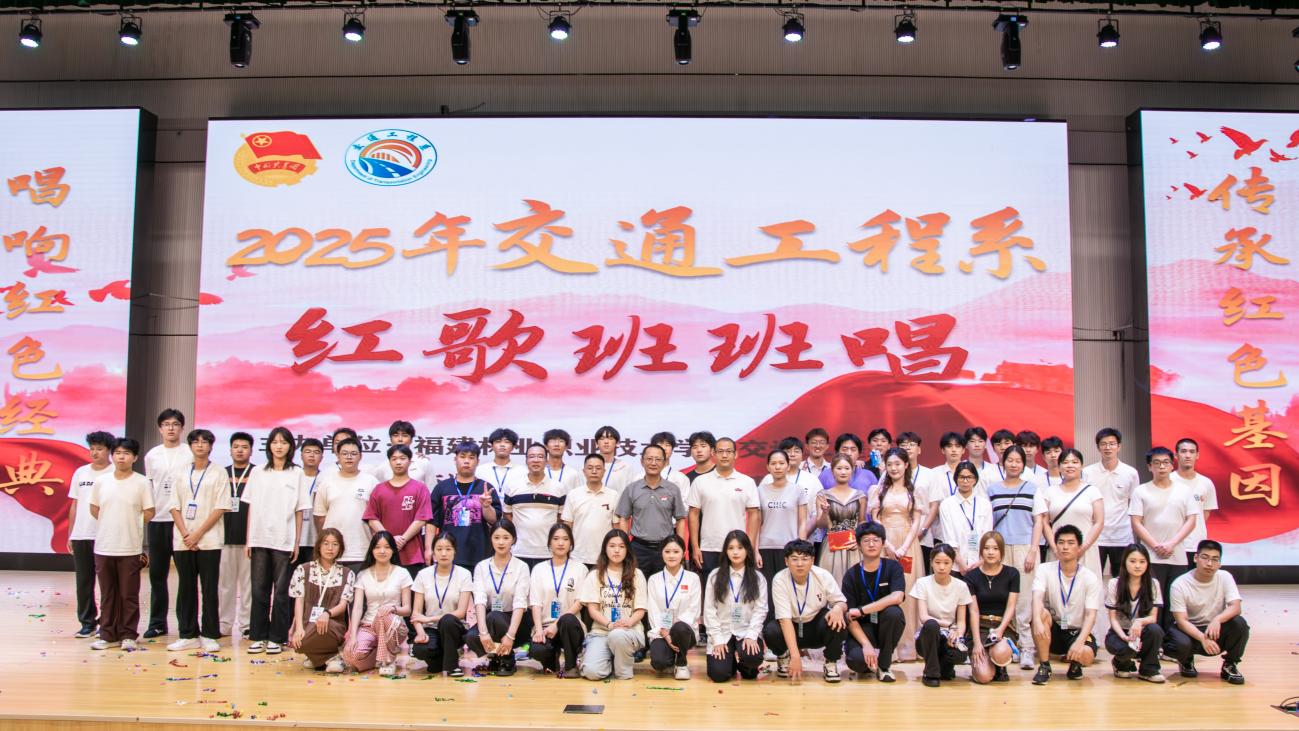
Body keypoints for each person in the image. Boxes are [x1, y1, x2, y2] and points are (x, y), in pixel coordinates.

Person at [243, 427, 310, 655]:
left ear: (290, 446)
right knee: (259, 590)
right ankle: (258, 636)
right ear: (269, 445)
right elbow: (251, 507)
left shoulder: (296, 473)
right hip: (259, 538)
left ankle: (277, 637)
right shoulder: (258, 472)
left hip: (284, 539)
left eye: (284, 442)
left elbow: (300, 510)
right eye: (275, 442)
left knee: (281, 592)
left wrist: (296, 542)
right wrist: (249, 540)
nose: (279, 446)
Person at [166, 429, 230, 653]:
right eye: (195, 442)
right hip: (183, 540)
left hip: (209, 540)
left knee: (209, 588)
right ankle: (187, 634)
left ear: (211, 446)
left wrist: (198, 533)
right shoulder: (181, 471)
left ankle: (210, 634)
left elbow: (221, 507)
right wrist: (186, 533)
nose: (200, 445)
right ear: (190, 446)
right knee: (186, 588)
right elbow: (173, 505)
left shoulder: (219, 472)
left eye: (204, 442)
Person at [89, 438, 155, 651]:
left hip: (130, 547)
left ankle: (128, 634)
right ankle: (107, 634)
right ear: (112, 456)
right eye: (117, 453)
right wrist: (111, 523)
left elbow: (149, 511)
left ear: (134, 458)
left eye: (126, 453)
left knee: (129, 595)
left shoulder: (141, 482)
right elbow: (94, 508)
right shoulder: (102, 481)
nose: (121, 457)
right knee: (108, 594)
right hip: (104, 546)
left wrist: (131, 525)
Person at [1129, 446, 1200, 639]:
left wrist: (1171, 544)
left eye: (1166, 463)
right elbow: (1136, 522)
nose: (1162, 467)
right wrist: (1155, 545)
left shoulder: (1184, 491)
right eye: (1157, 463)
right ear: (1149, 466)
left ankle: (1171, 642)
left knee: (1173, 601)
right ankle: (1152, 641)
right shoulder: (1141, 491)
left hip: (1177, 555)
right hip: (1150, 557)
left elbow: (1191, 521)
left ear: (1172, 465)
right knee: (1152, 601)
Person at [765, 539, 849, 682]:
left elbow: (842, 602)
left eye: (804, 559)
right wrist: (795, 656)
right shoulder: (780, 579)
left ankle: (831, 662)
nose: (799, 564)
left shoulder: (823, 575)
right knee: (771, 631)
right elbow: (784, 620)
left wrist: (837, 608)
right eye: (794, 559)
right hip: (792, 624)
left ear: (812, 560)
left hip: (815, 625)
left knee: (838, 620)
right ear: (786, 561)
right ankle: (784, 656)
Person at [867, 447, 923, 662]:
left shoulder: (915, 490)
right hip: (883, 542)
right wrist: (887, 544)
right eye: (889, 464)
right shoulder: (878, 490)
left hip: (908, 544)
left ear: (906, 465)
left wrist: (904, 547)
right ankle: (884, 647)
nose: (893, 468)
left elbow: (916, 521)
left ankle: (907, 647)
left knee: (906, 591)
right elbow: (875, 518)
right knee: (883, 591)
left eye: (898, 464)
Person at [986, 445, 1040, 669]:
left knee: (1024, 598)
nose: (1014, 464)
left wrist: (1033, 550)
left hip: (1025, 548)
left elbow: (1039, 521)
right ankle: (1009, 645)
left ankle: (1027, 647)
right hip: (999, 549)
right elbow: (987, 522)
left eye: (1018, 461)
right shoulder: (992, 490)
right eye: (1010, 460)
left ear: (1024, 464)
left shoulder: (1033, 489)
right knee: (1003, 598)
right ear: (1003, 462)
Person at [1168, 540, 1248, 685]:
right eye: (1205, 557)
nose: (1209, 563)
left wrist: (1217, 619)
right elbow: (1181, 620)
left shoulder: (1225, 577)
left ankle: (1230, 664)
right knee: (1178, 644)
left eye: (1215, 559)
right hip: (1190, 629)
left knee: (1240, 624)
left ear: (1220, 563)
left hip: (1214, 629)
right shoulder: (1180, 584)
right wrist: (1202, 638)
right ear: (1195, 558)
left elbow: (1236, 607)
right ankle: (1186, 660)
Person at [142, 408, 192, 638]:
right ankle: (157, 623)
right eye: (166, 424)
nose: (171, 428)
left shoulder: (189, 452)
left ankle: (186, 624)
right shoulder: (152, 455)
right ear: (160, 428)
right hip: (159, 520)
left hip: (183, 521)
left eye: (175, 424)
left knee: (186, 576)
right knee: (157, 575)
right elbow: (149, 487)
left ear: (182, 428)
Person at [1030, 525, 1101, 685]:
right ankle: (1044, 666)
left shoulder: (1089, 577)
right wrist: (1037, 621)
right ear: (1056, 546)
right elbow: (1037, 597)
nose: (1065, 547)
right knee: (1039, 614)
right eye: (1061, 542)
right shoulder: (1044, 569)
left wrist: (1080, 642)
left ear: (1079, 547)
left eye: (1070, 543)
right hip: (1054, 628)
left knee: (1086, 655)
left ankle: (1075, 665)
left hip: (1076, 631)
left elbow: (1091, 615)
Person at [273, 437, 323, 651]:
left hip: (316, 542)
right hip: (291, 541)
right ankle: (284, 630)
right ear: (300, 454)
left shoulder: (324, 479)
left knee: (312, 590)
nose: (312, 455)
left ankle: (308, 631)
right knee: (286, 588)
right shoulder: (293, 476)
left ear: (322, 456)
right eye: (308, 451)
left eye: (316, 452)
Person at [580, 529, 649, 680]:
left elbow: (640, 610)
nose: (616, 550)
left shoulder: (637, 574)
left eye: (621, 546)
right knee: (592, 672)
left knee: (618, 635)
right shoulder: (594, 575)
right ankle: (610, 659)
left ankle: (623, 669)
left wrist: (628, 622)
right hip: (602, 632)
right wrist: (610, 624)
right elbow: (593, 610)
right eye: (612, 546)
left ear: (627, 550)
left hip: (629, 630)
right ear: (605, 549)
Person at [842, 523, 906, 682]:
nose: (871, 544)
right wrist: (866, 645)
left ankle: (884, 665)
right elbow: (850, 616)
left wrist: (862, 610)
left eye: (876, 540)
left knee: (894, 613)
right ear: (858, 545)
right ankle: (869, 661)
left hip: (885, 625)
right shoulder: (851, 575)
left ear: (883, 543)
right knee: (857, 661)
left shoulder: (893, 567)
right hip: (862, 628)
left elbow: (897, 597)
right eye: (866, 540)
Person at [466, 519, 531, 676]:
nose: (501, 542)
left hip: (516, 621)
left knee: (495, 617)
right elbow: (479, 601)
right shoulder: (482, 567)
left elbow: (520, 604)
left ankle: (507, 659)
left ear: (513, 540)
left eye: (506, 537)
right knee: (472, 637)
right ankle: (497, 656)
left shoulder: (521, 567)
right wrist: (483, 633)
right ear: (491, 539)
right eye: (496, 537)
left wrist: (510, 636)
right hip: (490, 619)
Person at [343, 532, 413, 676]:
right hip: (369, 625)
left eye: (387, 547)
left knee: (384, 614)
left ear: (393, 550)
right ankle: (378, 656)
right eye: (377, 547)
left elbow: (407, 609)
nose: (382, 551)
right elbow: (357, 608)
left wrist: (392, 609)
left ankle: (388, 661)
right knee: (351, 656)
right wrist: (353, 635)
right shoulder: (363, 574)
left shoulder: (402, 573)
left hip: (393, 625)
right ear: (372, 550)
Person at [688, 437, 759, 579]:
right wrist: (695, 547)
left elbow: (754, 515)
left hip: (737, 548)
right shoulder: (700, 481)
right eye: (720, 451)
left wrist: (749, 547)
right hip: (709, 547)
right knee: (710, 588)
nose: (724, 455)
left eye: (728, 451)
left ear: (736, 454)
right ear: (713, 453)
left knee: (737, 588)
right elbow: (693, 514)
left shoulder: (747, 482)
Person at [67, 431, 114, 639]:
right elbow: (74, 504)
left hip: (106, 534)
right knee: (84, 581)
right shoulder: (81, 473)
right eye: (92, 448)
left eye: (99, 449)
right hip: (81, 534)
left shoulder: (115, 472)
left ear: (109, 450)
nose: (95, 452)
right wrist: (71, 534)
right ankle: (87, 623)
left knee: (108, 582)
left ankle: (107, 622)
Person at [288, 528, 355, 673]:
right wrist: (298, 628)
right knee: (299, 641)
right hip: (307, 623)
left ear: (340, 548)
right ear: (318, 545)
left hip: (333, 623)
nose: (330, 548)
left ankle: (315, 657)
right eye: (326, 543)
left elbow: (343, 605)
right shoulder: (303, 569)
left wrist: (327, 614)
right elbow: (299, 601)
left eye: (335, 544)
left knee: (324, 625)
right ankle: (331, 658)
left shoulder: (347, 573)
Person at [703, 530, 766, 682]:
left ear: (747, 550)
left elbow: (760, 610)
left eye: (740, 548)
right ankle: (730, 662)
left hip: (745, 631)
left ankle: (745, 665)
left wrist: (751, 636)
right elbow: (709, 611)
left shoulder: (758, 578)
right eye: (731, 548)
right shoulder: (715, 576)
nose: (735, 552)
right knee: (719, 675)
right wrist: (717, 639)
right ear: (725, 551)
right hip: (722, 632)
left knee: (751, 660)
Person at [616, 444, 688, 578]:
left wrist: (680, 547)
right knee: (636, 585)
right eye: (649, 459)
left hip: (666, 548)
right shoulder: (632, 489)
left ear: (664, 462)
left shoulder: (673, 489)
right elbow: (624, 518)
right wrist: (624, 545)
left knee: (664, 585)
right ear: (642, 461)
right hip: (638, 548)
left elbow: (680, 519)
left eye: (658, 459)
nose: (653, 463)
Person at [1029, 448, 1103, 578]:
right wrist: (1055, 548)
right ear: (1059, 466)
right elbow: (1044, 523)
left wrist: (1083, 547)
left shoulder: (1092, 491)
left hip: (1086, 550)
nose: (1070, 465)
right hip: (1058, 551)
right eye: (1065, 462)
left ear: (1081, 466)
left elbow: (1099, 522)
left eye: (1074, 462)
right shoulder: (1050, 492)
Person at [428, 441, 501, 570]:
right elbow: (432, 522)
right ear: (455, 459)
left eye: (471, 458)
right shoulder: (442, 488)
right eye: (462, 457)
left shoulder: (485, 488)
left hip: (479, 554)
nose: (466, 461)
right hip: (447, 553)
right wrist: (428, 549)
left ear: (477, 461)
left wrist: (486, 506)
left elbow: (494, 520)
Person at [528, 523, 588, 677]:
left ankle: (571, 665)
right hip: (545, 626)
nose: (560, 543)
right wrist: (539, 630)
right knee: (538, 650)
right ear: (549, 543)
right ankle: (551, 660)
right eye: (556, 539)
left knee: (567, 620)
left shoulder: (580, 569)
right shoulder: (539, 569)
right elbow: (535, 603)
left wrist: (557, 624)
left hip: (570, 626)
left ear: (571, 543)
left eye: (565, 539)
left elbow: (579, 603)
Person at [365, 445, 432, 578]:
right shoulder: (379, 489)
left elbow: (421, 519)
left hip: (412, 554)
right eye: (394, 459)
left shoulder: (420, 488)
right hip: (384, 553)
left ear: (410, 461)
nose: (398, 462)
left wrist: (402, 539)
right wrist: (389, 540)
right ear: (389, 462)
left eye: (402, 458)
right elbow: (372, 518)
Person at [411, 533, 473, 676]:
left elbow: (461, 612)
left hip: (455, 628)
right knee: (421, 650)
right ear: (433, 552)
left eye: (448, 549)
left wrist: (429, 618)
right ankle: (443, 657)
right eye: (439, 549)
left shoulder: (464, 574)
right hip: (431, 629)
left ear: (455, 551)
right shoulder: (423, 575)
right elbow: (416, 613)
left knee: (448, 620)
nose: (443, 553)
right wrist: (420, 632)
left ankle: (452, 666)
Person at [910, 544, 973, 686]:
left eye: (946, 563)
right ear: (931, 562)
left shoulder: (961, 586)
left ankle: (943, 668)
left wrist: (957, 633)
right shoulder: (922, 583)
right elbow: (924, 617)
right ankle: (930, 674)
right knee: (931, 625)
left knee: (959, 656)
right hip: (929, 635)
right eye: (937, 562)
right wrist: (949, 625)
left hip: (949, 636)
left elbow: (961, 621)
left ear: (952, 563)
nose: (942, 567)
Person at [313, 437, 378, 573]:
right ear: (337, 456)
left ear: (361, 456)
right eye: (344, 453)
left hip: (361, 550)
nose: (349, 457)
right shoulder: (327, 482)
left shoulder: (371, 482)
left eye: (353, 453)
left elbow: (377, 517)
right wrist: (328, 542)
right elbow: (320, 517)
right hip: (332, 552)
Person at [1083, 427, 1140, 579]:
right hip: (1095, 537)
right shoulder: (1087, 472)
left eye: (1112, 444)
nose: (1108, 447)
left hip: (1122, 536)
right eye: (1103, 444)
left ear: (1119, 446)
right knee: (1092, 579)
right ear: (1098, 447)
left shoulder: (1131, 473)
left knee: (1122, 580)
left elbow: (1135, 505)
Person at [1104, 544, 1165, 683]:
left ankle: (1148, 670)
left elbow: (1153, 617)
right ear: (1124, 562)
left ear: (1147, 564)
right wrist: (1124, 637)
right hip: (1120, 632)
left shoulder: (1153, 583)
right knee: (1126, 648)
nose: (1137, 566)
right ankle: (1120, 663)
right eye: (1132, 561)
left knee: (1155, 630)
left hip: (1141, 630)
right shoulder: (1114, 583)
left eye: (1142, 562)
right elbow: (1113, 619)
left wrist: (1139, 621)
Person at [964, 531, 1020, 683]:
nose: (990, 552)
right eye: (986, 548)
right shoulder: (971, 576)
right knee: (983, 677)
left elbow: (1011, 607)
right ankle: (985, 663)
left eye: (995, 548)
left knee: (1000, 652)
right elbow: (973, 611)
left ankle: (1000, 665)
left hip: (1003, 626)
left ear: (1001, 551)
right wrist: (977, 643)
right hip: (980, 627)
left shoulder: (1012, 574)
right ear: (981, 550)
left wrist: (1000, 630)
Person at [755, 449, 808, 604]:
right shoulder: (760, 490)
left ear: (788, 466)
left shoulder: (798, 490)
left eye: (781, 463)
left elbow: (802, 522)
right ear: (768, 467)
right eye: (773, 463)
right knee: (767, 592)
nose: (777, 467)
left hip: (790, 548)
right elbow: (756, 523)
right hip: (765, 548)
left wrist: (801, 549)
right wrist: (755, 551)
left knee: (789, 591)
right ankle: (770, 620)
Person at [503, 443, 567, 570]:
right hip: (519, 551)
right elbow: (507, 515)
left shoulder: (558, 488)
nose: (536, 460)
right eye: (532, 456)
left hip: (548, 552)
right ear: (526, 460)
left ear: (546, 461)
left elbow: (561, 518)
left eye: (540, 456)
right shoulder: (513, 486)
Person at [646, 535, 702, 680]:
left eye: (676, 552)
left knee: (680, 628)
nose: (671, 555)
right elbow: (653, 610)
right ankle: (670, 657)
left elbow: (694, 609)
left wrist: (676, 627)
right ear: (662, 553)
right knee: (659, 663)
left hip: (685, 631)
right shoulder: (654, 580)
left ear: (684, 554)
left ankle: (682, 663)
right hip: (662, 631)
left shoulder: (693, 578)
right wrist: (665, 633)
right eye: (667, 551)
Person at [219, 432, 255, 638]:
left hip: (249, 540)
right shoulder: (221, 474)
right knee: (225, 585)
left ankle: (247, 624)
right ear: (230, 450)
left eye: (244, 447)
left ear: (251, 450)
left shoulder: (257, 474)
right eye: (236, 447)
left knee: (248, 585)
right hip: (224, 539)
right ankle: (224, 623)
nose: (240, 450)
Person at [813, 454, 868, 586]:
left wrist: (860, 539)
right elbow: (820, 525)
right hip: (831, 546)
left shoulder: (860, 496)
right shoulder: (823, 496)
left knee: (855, 585)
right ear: (832, 471)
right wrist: (825, 512)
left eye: (847, 468)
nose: (843, 472)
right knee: (831, 585)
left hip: (853, 545)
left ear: (852, 470)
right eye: (839, 468)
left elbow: (862, 522)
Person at [562, 454, 619, 567]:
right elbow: (567, 526)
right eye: (590, 468)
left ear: (604, 471)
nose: (594, 471)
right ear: (584, 471)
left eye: (598, 468)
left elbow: (616, 527)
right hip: (578, 556)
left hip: (605, 556)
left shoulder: (613, 495)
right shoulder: (573, 495)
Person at [1171, 438, 1219, 567]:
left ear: (1197, 455)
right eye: (1183, 451)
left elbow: (1205, 513)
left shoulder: (1206, 483)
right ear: (1176, 455)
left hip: (1196, 545)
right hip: (1172, 545)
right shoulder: (1168, 481)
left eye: (1192, 452)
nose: (1188, 455)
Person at [922, 431, 967, 568]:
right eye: (949, 446)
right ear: (942, 450)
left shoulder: (970, 473)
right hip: (940, 533)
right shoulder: (933, 474)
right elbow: (930, 504)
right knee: (941, 570)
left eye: (957, 446)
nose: (953, 450)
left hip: (966, 532)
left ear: (963, 450)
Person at [940, 461, 993, 572]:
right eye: (962, 477)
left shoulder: (984, 504)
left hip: (980, 564)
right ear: (956, 479)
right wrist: (960, 563)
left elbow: (987, 535)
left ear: (975, 479)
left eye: (969, 477)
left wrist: (981, 561)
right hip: (955, 565)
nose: (965, 481)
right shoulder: (947, 505)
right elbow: (949, 538)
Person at [367, 421, 431, 485]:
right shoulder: (383, 466)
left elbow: (431, 488)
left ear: (411, 440)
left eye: (405, 435)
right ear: (391, 440)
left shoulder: (423, 462)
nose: (400, 439)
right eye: (396, 435)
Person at [476, 427, 524, 494]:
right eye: (498, 441)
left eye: (507, 442)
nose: (502, 445)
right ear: (492, 446)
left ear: (513, 447)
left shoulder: (523, 471)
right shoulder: (479, 470)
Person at [593, 425, 636, 494]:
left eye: (610, 438)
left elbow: (630, 493)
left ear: (617, 443)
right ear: (596, 443)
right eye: (602, 438)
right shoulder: (589, 466)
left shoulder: (625, 467)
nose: (606, 441)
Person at [542, 428, 584, 494]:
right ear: (546, 446)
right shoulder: (539, 471)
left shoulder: (573, 473)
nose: (556, 444)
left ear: (566, 447)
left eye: (561, 441)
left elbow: (578, 496)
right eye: (552, 441)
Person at [650, 431, 692, 496]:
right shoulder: (640, 477)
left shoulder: (680, 478)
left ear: (672, 450)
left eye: (667, 445)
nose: (664, 448)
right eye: (660, 444)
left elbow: (685, 501)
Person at [963, 427, 995, 492]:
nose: (977, 445)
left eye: (980, 441)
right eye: (972, 441)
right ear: (966, 445)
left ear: (985, 444)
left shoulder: (993, 469)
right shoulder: (959, 467)